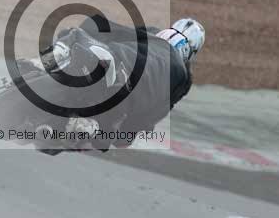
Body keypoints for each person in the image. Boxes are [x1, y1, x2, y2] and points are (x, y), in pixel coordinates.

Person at [37, 14, 205, 151]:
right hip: (120, 94)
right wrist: (126, 136)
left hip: (113, 67)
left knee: (78, 39)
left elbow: (110, 29)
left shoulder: (153, 39)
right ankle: (77, 127)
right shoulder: (182, 76)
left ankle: (57, 54)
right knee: (101, 137)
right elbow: (152, 115)